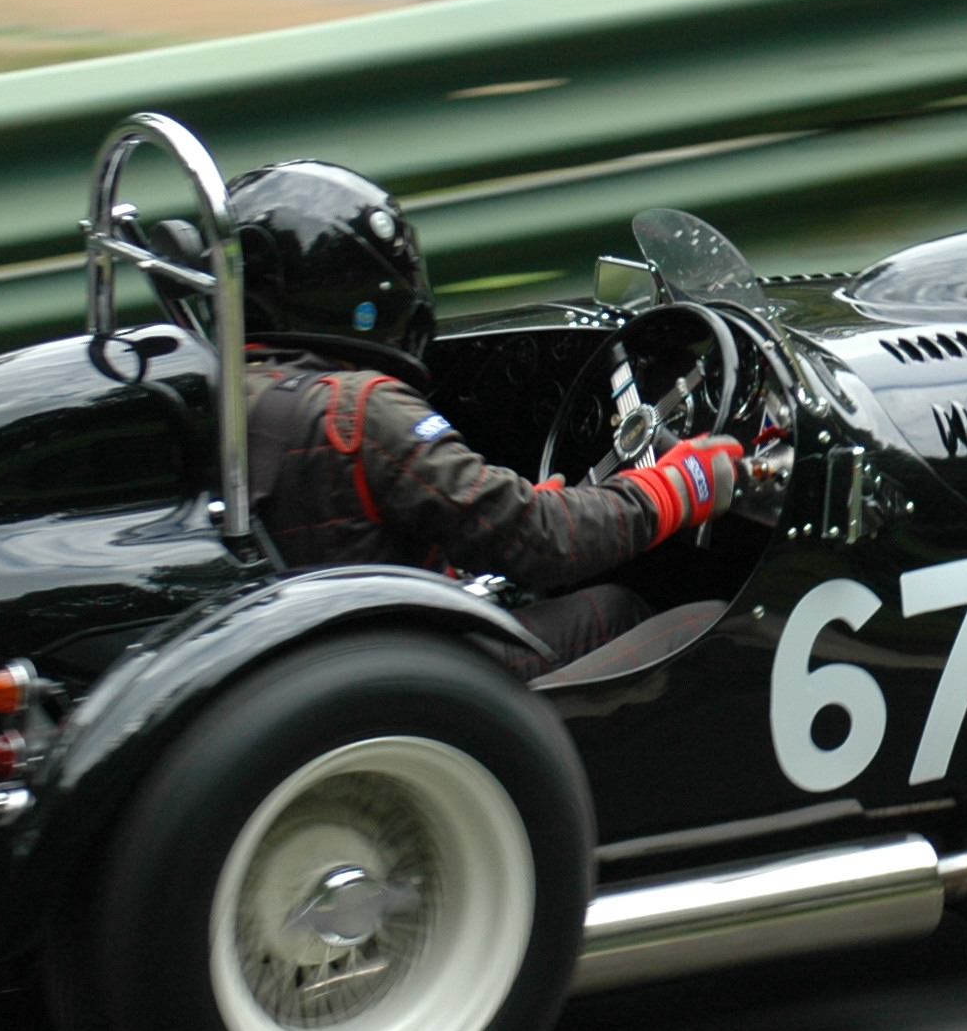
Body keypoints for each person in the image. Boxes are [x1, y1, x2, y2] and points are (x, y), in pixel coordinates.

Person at [220, 158, 742, 673]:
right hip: (407, 669)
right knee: (654, 614)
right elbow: (537, 539)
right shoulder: (359, 408)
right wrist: (679, 485)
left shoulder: (228, 392)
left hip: (321, 659)